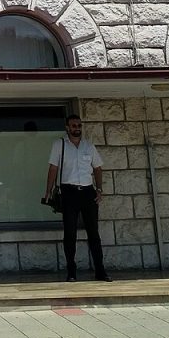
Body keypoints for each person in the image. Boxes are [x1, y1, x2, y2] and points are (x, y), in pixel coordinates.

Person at [44, 114, 111, 282]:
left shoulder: (89, 146)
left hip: (88, 191)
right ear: (67, 128)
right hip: (69, 191)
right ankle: (71, 272)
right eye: (73, 125)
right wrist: (48, 190)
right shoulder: (60, 145)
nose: (77, 128)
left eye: (79, 125)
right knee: (70, 233)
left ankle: (100, 271)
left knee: (93, 232)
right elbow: (53, 168)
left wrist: (99, 189)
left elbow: (97, 168)